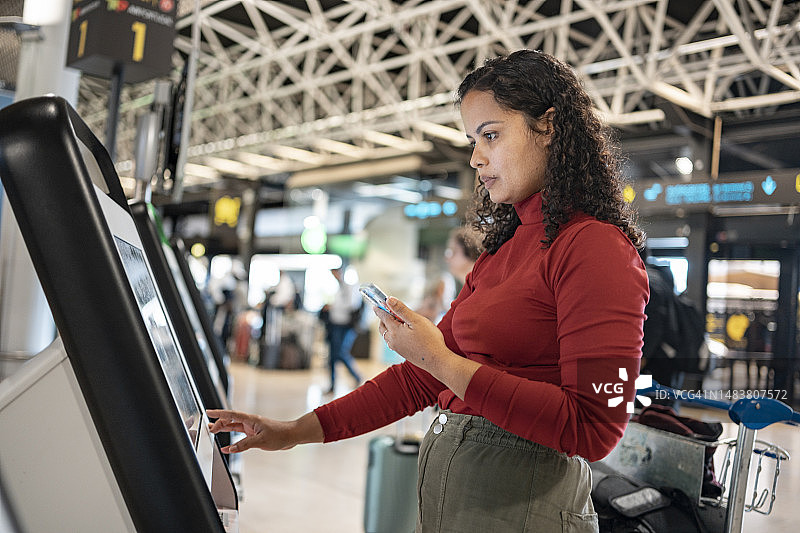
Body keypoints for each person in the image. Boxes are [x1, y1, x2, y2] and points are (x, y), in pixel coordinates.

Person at [208, 50, 649, 532]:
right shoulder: (501, 252)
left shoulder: (596, 249)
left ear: (548, 127)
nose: (476, 156)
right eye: (472, 140)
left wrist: (441, 360)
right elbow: (419, 379)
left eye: (491, 135)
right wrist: (294, 431)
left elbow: (595, 427)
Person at [321, 267, 363, 393]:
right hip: (335, 324)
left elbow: (352, 304)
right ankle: (332, 385)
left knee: (341, 353)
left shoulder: (349, 287)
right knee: (332, 356)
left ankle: (357, 377)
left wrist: (333, 307)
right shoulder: (339, 288)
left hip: (345, 326)